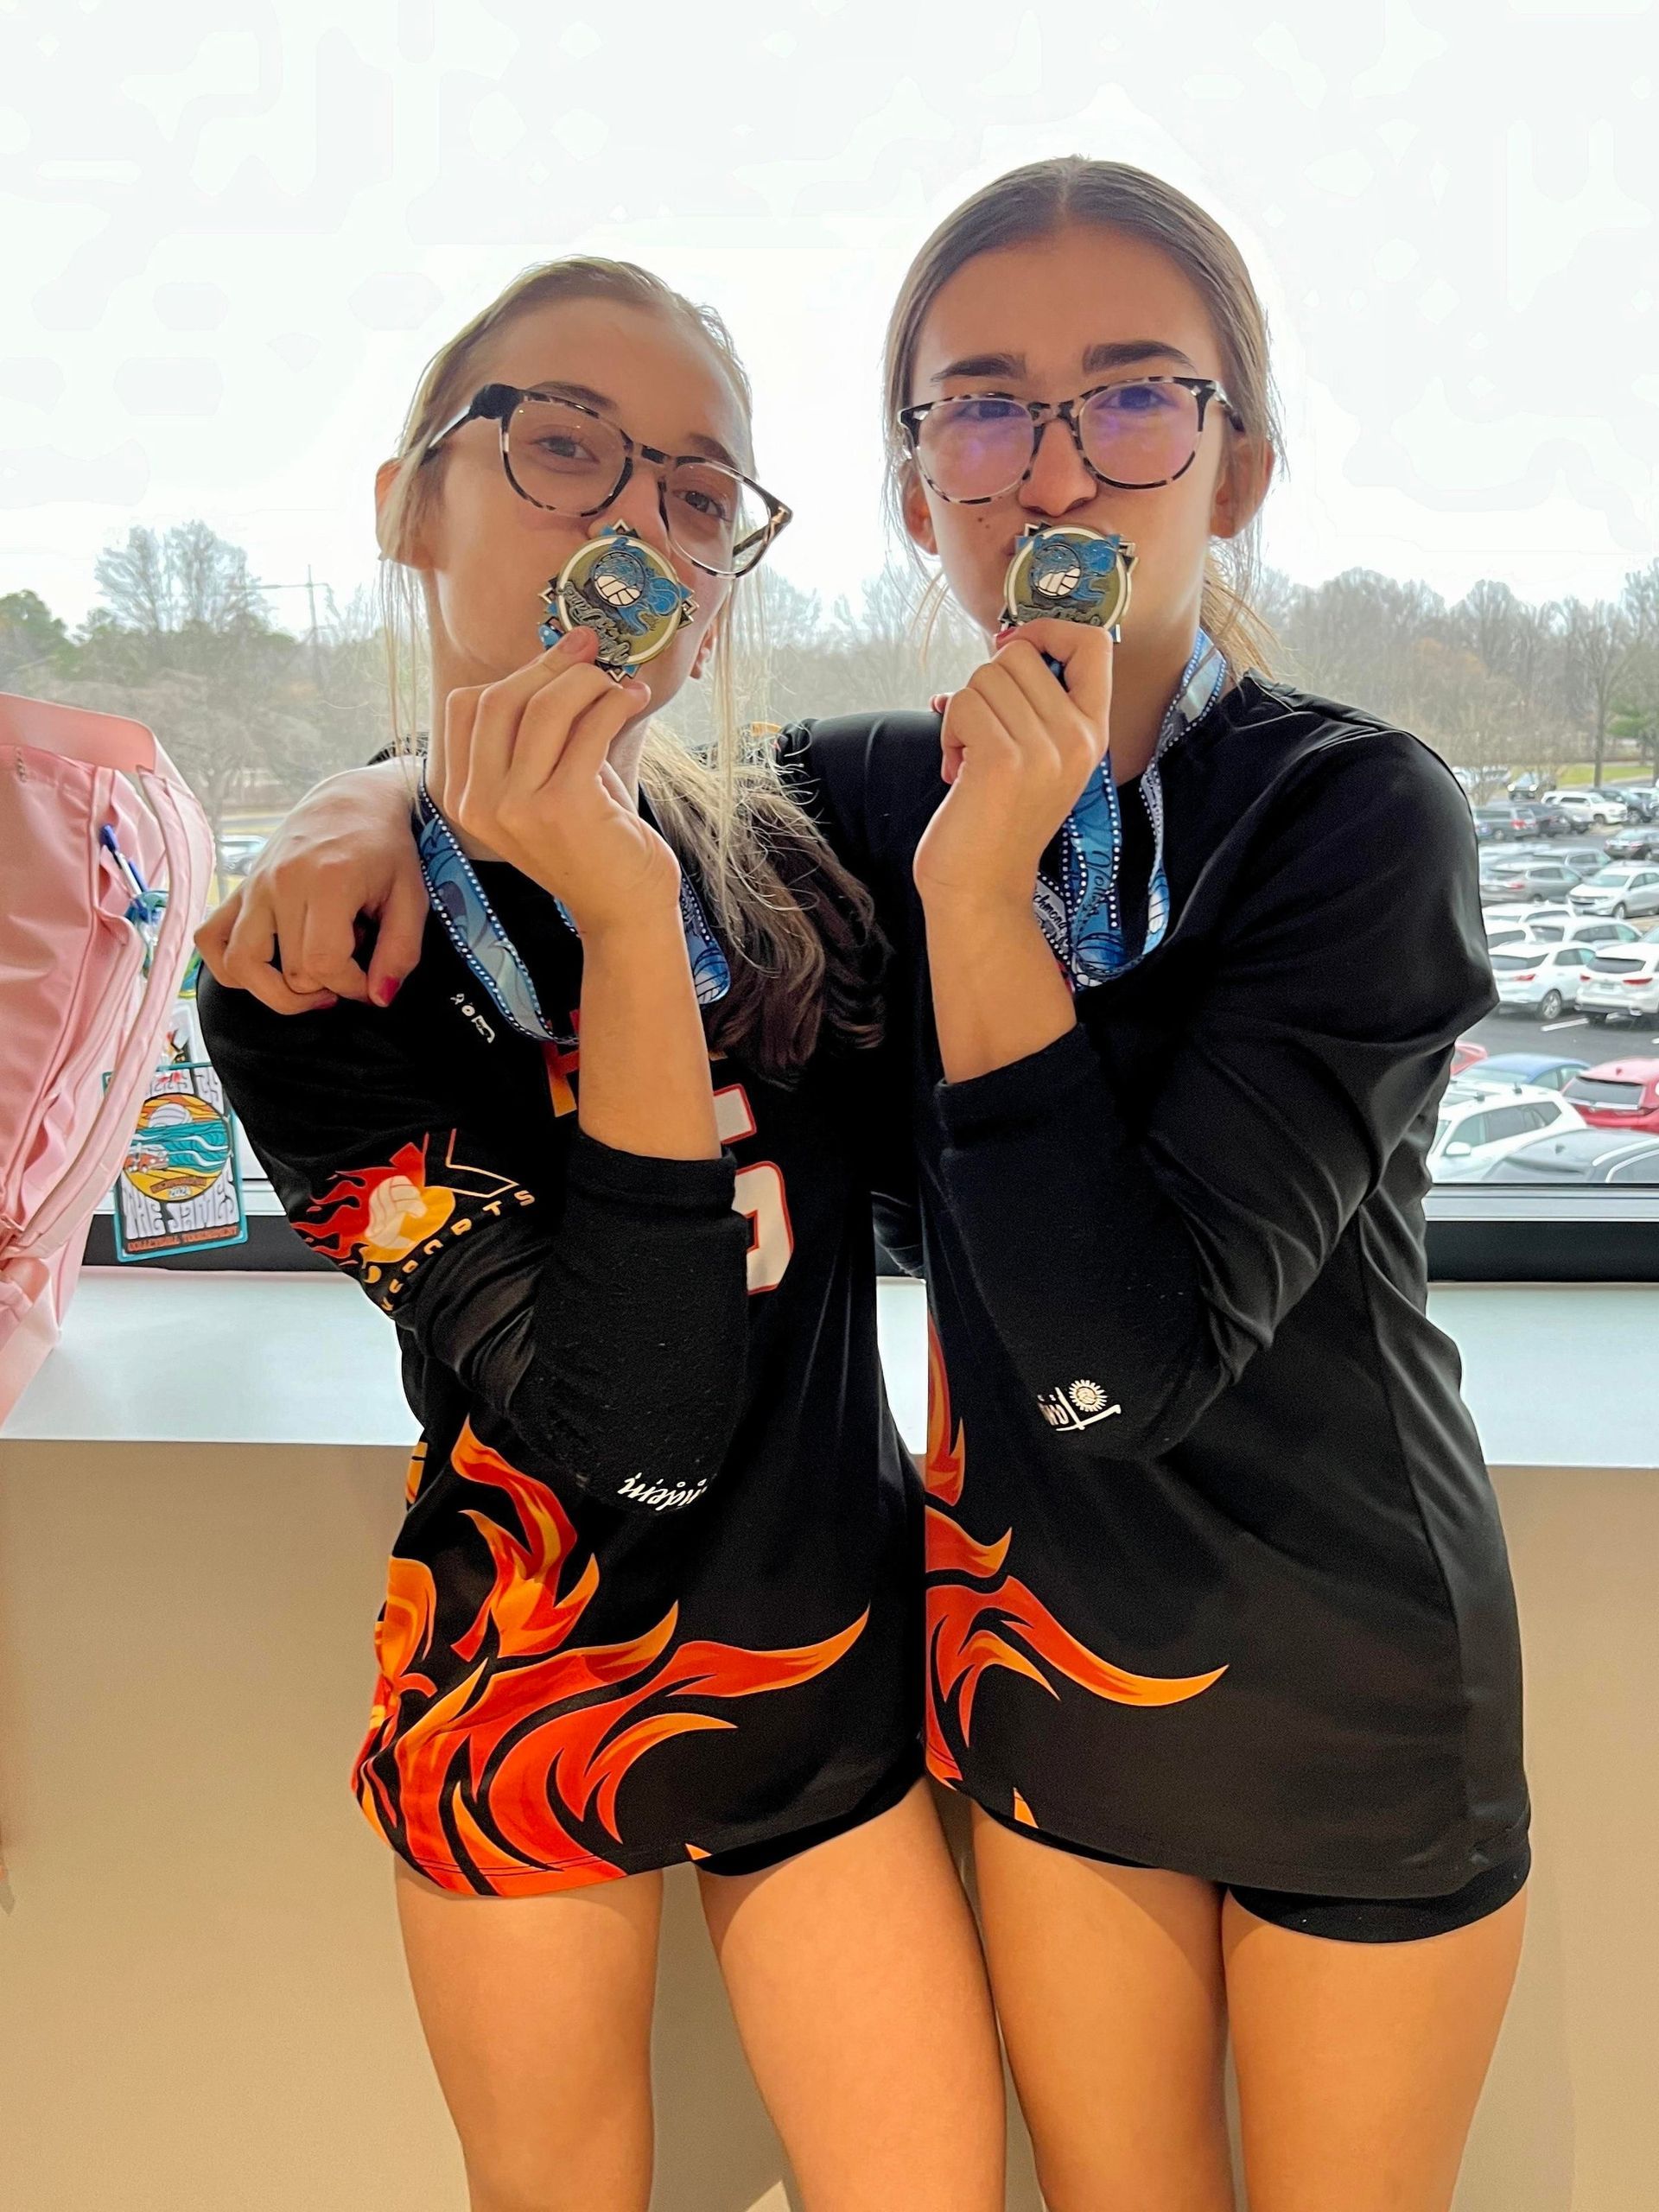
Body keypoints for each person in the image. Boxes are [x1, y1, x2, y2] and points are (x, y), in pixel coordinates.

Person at [200, 161, 1529, 2212]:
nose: (1059, 460)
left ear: (1238, 459)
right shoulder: (789, 820)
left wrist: (981, 898)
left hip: (1295, 1677)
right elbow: (569, 780)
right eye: (984, 406)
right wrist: (363, 784)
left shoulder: (1312, 814)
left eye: (1138, 397)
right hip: (966, 1690)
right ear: (921, 488)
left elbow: (1112, 1360)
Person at [195, 255, 1003, 2212]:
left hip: (823, 1676)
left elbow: (1106, 772)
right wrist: (573, 892)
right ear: (416, 501)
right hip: (525, 1691)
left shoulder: (811, 829)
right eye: (565, 445)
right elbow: (629, 1418)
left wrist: (447, 800)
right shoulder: (310, 971)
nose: (636, 519)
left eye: (701, 493)